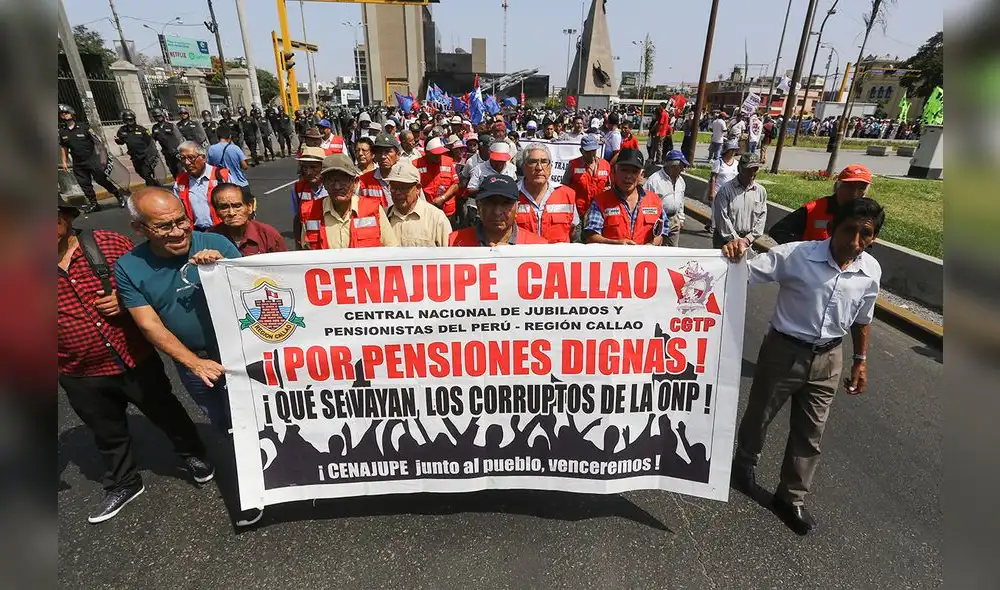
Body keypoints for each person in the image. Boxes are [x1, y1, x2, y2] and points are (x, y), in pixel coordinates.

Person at [726, 197, 884, 535]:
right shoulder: (796, 255)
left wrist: (861, 361)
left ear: (874, 238)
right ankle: (743, 467)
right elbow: (744, 274)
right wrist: (735, 253)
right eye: (849, 231)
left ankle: (791, 497)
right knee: (760, 415)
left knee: (811, 432)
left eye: (865, 234)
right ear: (831, 229)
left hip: (829, 359)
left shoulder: (870, 270)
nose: (855, 242)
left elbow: (862, 318)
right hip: (783, 352)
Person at [58, 196, 213, 524]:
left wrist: (123, 301)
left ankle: (194, 456)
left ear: (66, 217)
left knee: (165, 409)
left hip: (132, 354)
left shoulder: (107, 244)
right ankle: (124, 483)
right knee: (105, 429)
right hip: (77, 368)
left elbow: (143, 280)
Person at [114, 187, 242, 432]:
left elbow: (255, 293)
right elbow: (149, 324)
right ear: (139, 228)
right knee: (223, 424)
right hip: (194, 362)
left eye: (182, 220)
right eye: (164, 226)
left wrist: (224, 268)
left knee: (259, 423)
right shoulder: (128, 267)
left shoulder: (216, 243)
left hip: (240, 353)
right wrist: (195, 364)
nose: (178, 232)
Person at [302, 153, 399, 249]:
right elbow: (304, 255)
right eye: (331, 180)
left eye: (344, 180)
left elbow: (392, 250)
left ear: (355, 182)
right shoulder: (309, 211)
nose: (337, 186)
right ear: (324, 183)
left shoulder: (374, 210)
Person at [583, 148, 669, 246]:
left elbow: (663, 230)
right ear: (614, 172)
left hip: (646, 260)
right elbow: (591, 236)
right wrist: (616, 244)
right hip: (613, 259)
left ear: (642, 175)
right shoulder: (600, 202)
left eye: (634, 171)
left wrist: (651, 245)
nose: (628, 176)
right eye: (624, 170)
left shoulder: (654, 200)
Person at [770, 165, 872, 244]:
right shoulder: (813, 209)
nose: (855, 192)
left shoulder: (866, 216)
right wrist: (803, 251)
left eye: (861, 188)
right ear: (838, 186)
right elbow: (778, 231)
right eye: (850, 187)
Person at [449, 174, 551, 246]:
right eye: (490, 203)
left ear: (517, 208)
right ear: (479, 206)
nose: (497, 212)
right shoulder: (453, 242)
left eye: (506, 204)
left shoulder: (538, 247)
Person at [59, 104, 126, 212]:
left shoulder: (84, 127)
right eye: (62, 114)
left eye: (66, 113)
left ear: (72, 113)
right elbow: (64, 147)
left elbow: (98, 143)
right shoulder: (62, 132)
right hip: (78, 162)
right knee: (84, 184)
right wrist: (64, 161)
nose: (64, 115)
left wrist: (103, 158)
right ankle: (94, 203)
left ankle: (118, 195)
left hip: (92, 159)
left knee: (101, 180)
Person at [516, 143, 580, 243]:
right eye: (533, 162)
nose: (539, 167)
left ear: (550, 167)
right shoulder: (512, 195)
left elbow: (574, 233)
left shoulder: (567, 195)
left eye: (544, 162)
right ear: (524, 167)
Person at [207, 183, 286, 256]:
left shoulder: (268, 235)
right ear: (216, 211)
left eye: (237, 206)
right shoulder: (209, 237)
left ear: (250, 207)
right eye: (224, 207)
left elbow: (284, 266)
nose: (231, 213)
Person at [385, 161, 451, 246]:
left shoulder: (436, 218)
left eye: (403, 188)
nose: (397, 193)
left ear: (418, 188)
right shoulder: (383, 218)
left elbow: (448, 254)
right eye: (393, 188)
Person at [712, 153, 768, 248]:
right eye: (748, 169)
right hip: (725, 241)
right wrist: (736, 240)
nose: (752, 173)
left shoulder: (760, 191)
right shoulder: (725, 190)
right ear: (739, 169)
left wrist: (748, 239)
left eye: (755, 169)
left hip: (747, 242)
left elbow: (761, 217)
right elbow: (722, 218)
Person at [173, 141, 231, 231]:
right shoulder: (180, 182)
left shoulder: (221, 176)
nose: (187, 162)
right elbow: (178, 210)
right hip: (197, 232)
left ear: (203, 158)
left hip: (224, 230)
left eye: (191, 158)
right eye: (183, 158)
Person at [643, 150, 689, 246]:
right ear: (673, 166)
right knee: (656, 250)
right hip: (658, 221)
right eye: (681, 167)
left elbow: (681, 201)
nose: (683, 170)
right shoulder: (654, 180)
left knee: (672, 252)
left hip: (674, 220)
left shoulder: (681, 181)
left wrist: (681, 218)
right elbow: (644, 202)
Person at [565, 134, 611, 219]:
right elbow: (564, 188)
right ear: (581, 151)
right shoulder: (573, 165)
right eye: (588, 151)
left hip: (599, 211)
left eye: (593, 150)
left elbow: (609, 186)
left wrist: (608, 189)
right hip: (578, 212)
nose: (591, 154)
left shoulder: (606, 165)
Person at [290, 147, 328, 250]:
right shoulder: (297, 188)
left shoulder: (332, 187)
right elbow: (297, 218)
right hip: (310, 246)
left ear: (323, 167)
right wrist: (298, 245)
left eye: (313, 167)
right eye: (305, 168)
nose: (308, 172)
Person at [414, 136, 459, 220]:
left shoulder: (448, 161)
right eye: (435, 154)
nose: (438, 157)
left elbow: (455, 185)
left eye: (440, 154)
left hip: (447, 212)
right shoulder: (416, 165)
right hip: (426, 212)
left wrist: (443, 198)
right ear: (426, 152)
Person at [114, 109, 160, 187]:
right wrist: (118, 141)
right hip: (135, 156)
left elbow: (150, 142)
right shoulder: (122, 130)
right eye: (127, 120)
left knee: (146, 174)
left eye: (131, 119)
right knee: (139, 172)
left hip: (145, 156)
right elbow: (121, 141)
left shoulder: (142, 130)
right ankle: (154, 184)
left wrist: (152, 155)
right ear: (124, 120)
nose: (130, 121)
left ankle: (152, 190)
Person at [705, 139, 740, 234]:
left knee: (727, 212)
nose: (733, 152)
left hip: (730, 193)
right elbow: (713, 178)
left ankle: (711, 224)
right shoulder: (718, 162)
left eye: (734, 150)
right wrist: (711, 192)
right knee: (717, 212)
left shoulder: (736, 164)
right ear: (726, 150)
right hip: (718, 192)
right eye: (731, 150)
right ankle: (715, 228)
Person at [357, 132, 400, 208]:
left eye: (388, 151)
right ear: (375, 156)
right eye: (379, 152)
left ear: (398, 155)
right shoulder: (364, 180)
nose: (383, 156)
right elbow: (361, 209)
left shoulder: (407, 178)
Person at [150, 108, 183, 179]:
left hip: (176, 152)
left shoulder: (171, 125)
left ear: (162, 115)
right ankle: (177, 184)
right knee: (172, 170)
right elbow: (153, 140)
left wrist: (181, 150)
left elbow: (180, 138)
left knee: (180, 170)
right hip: (167, 153)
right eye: (156, 117)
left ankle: (184, 186)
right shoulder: (155, 128)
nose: (158, 118)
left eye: (159, 116)